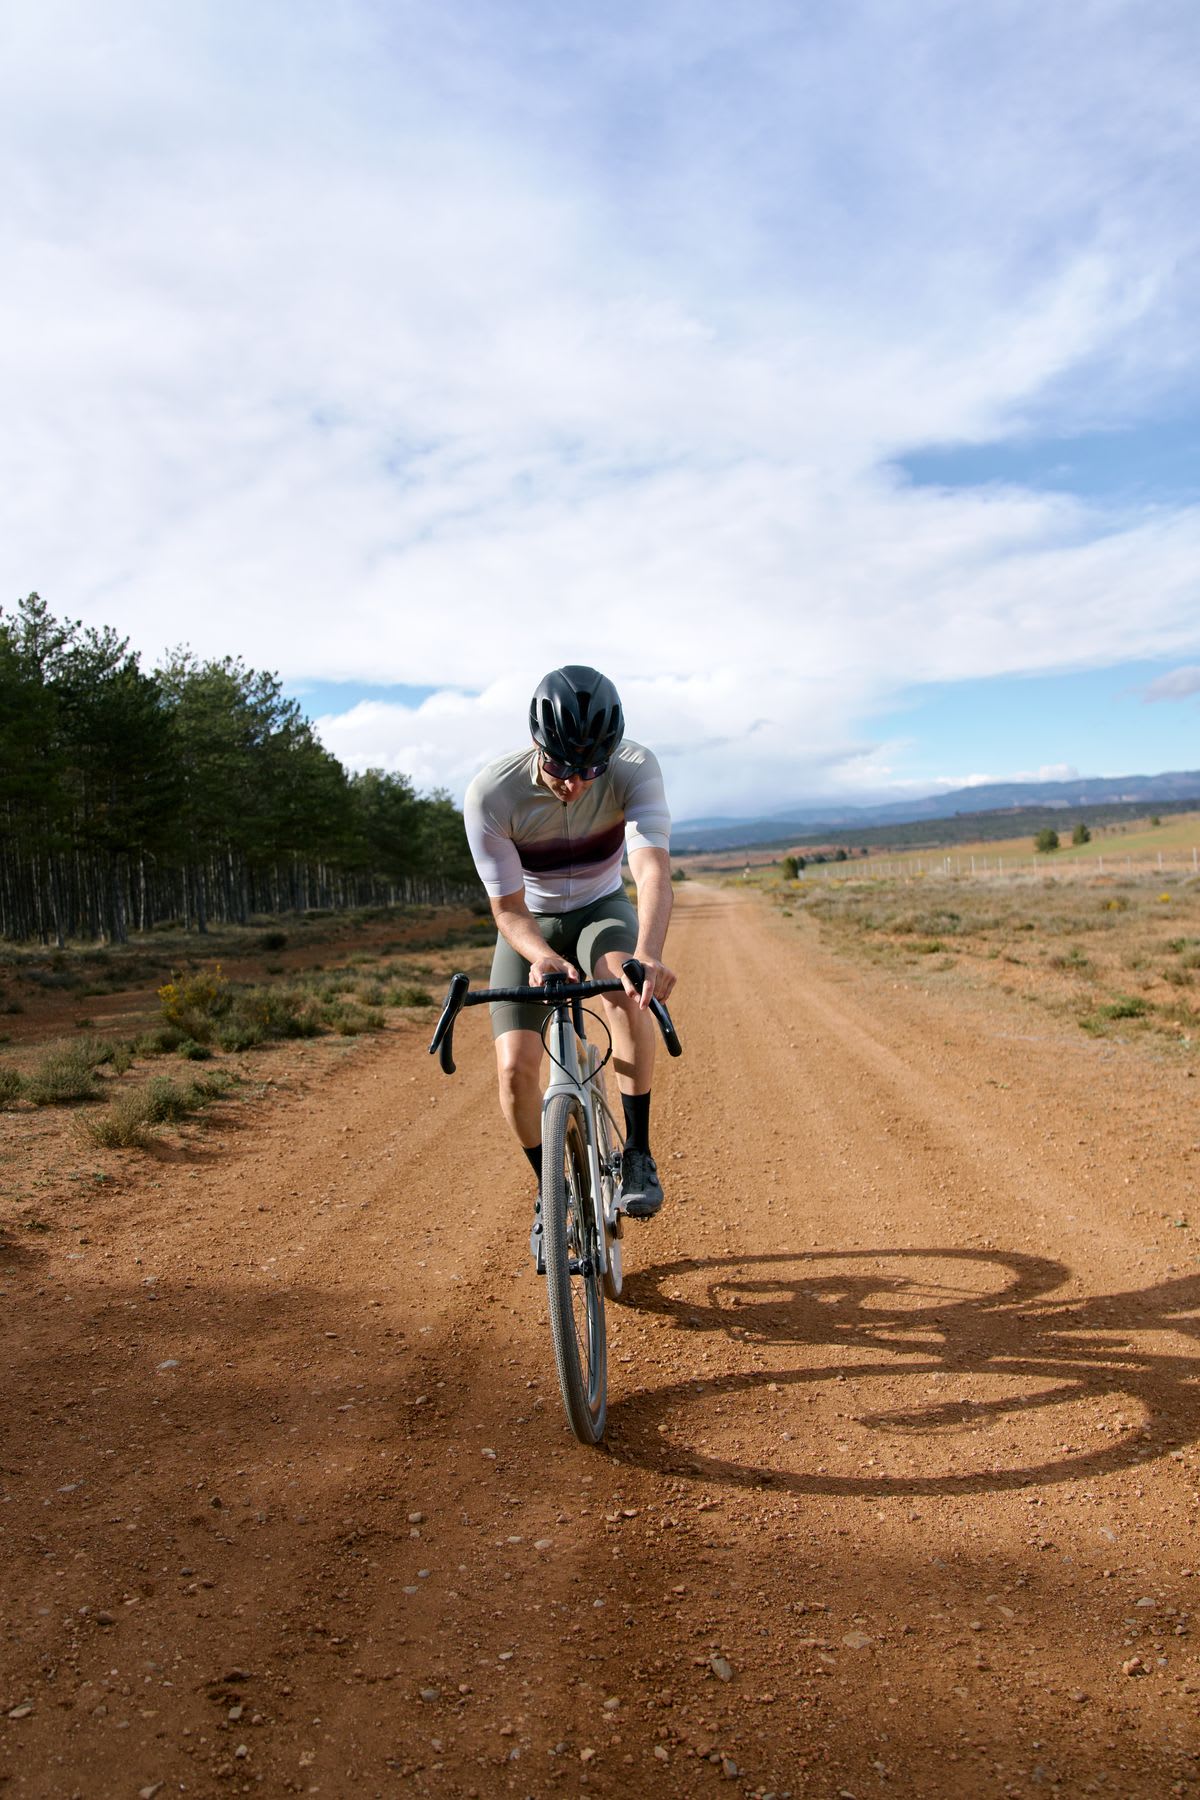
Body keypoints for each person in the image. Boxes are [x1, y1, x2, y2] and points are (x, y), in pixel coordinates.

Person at [463, 665, 677, 1268]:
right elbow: (506, 909)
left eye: (591, 770)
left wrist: (649, 954)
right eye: (561, 767)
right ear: (537, 743)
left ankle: (635, 1150)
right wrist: (543, 957)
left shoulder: (635, 767)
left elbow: (653, 869)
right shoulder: (493, 793)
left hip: (602, 906)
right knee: (514, 1071)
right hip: (529, 922)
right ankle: (548, 1190)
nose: (575, 785)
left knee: (625, 990)